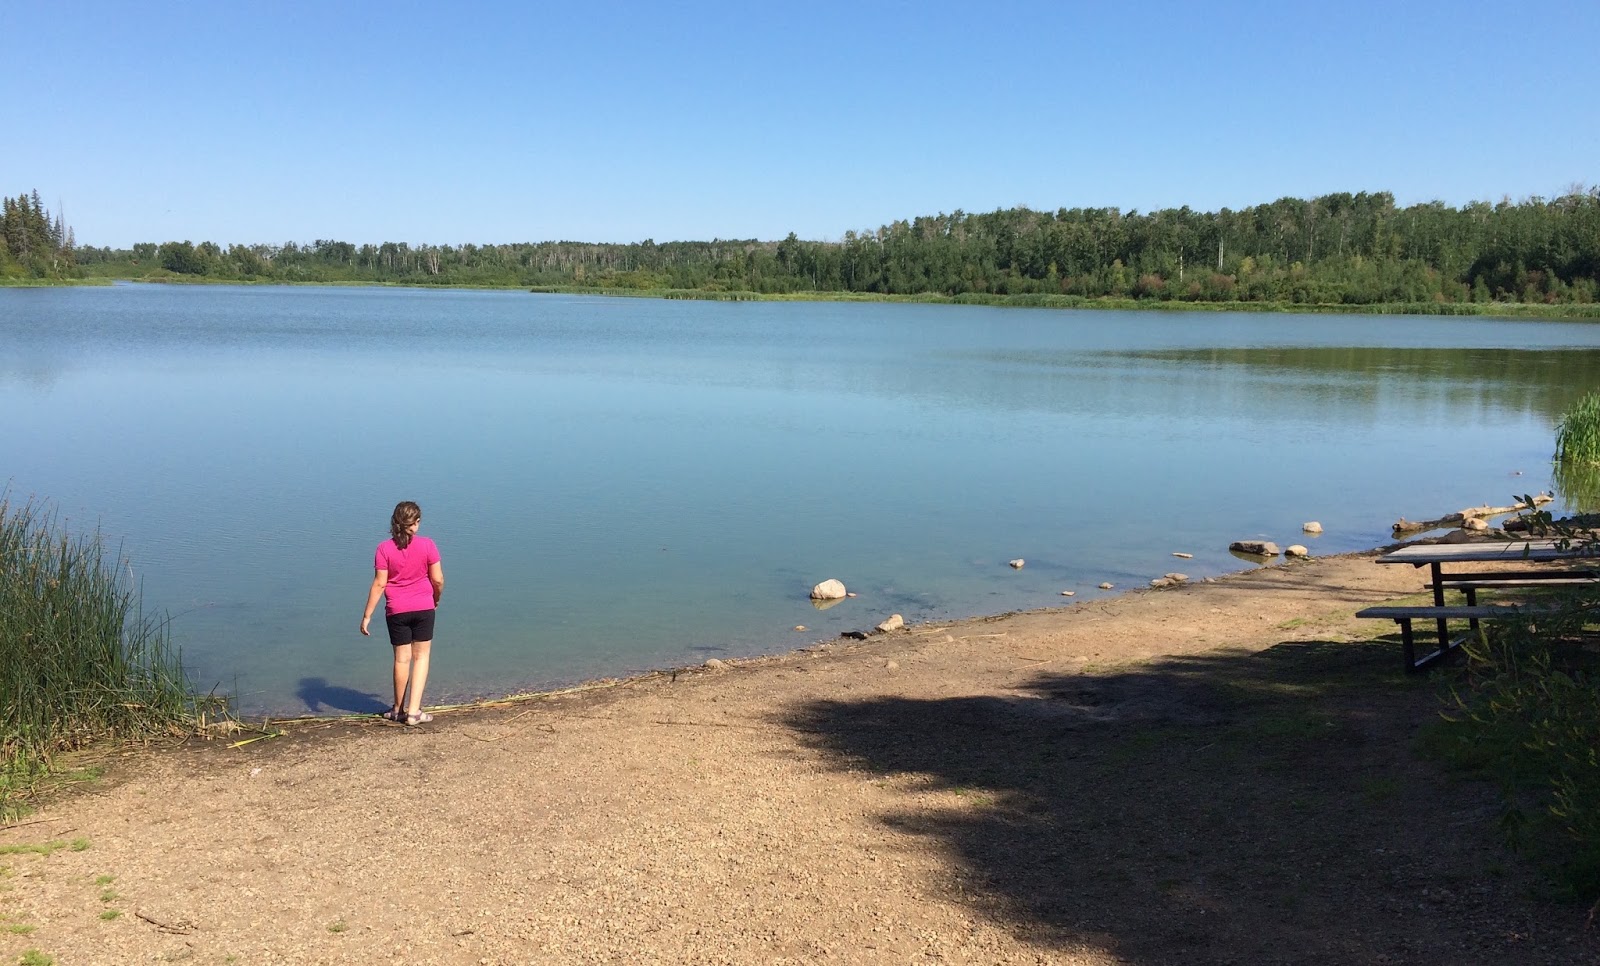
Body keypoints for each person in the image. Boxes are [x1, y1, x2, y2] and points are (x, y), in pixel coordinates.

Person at [360, 501, 444, 725]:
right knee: (422, 657)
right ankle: (414, 711)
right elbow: (437, 579)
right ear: (416, 524)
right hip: (424, 607)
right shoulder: (428, 545)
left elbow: (379, 584)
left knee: (401, 659)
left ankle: (398, 710)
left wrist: (367, 616)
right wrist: (436, 598)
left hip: (396, 610)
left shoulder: (384, 549)